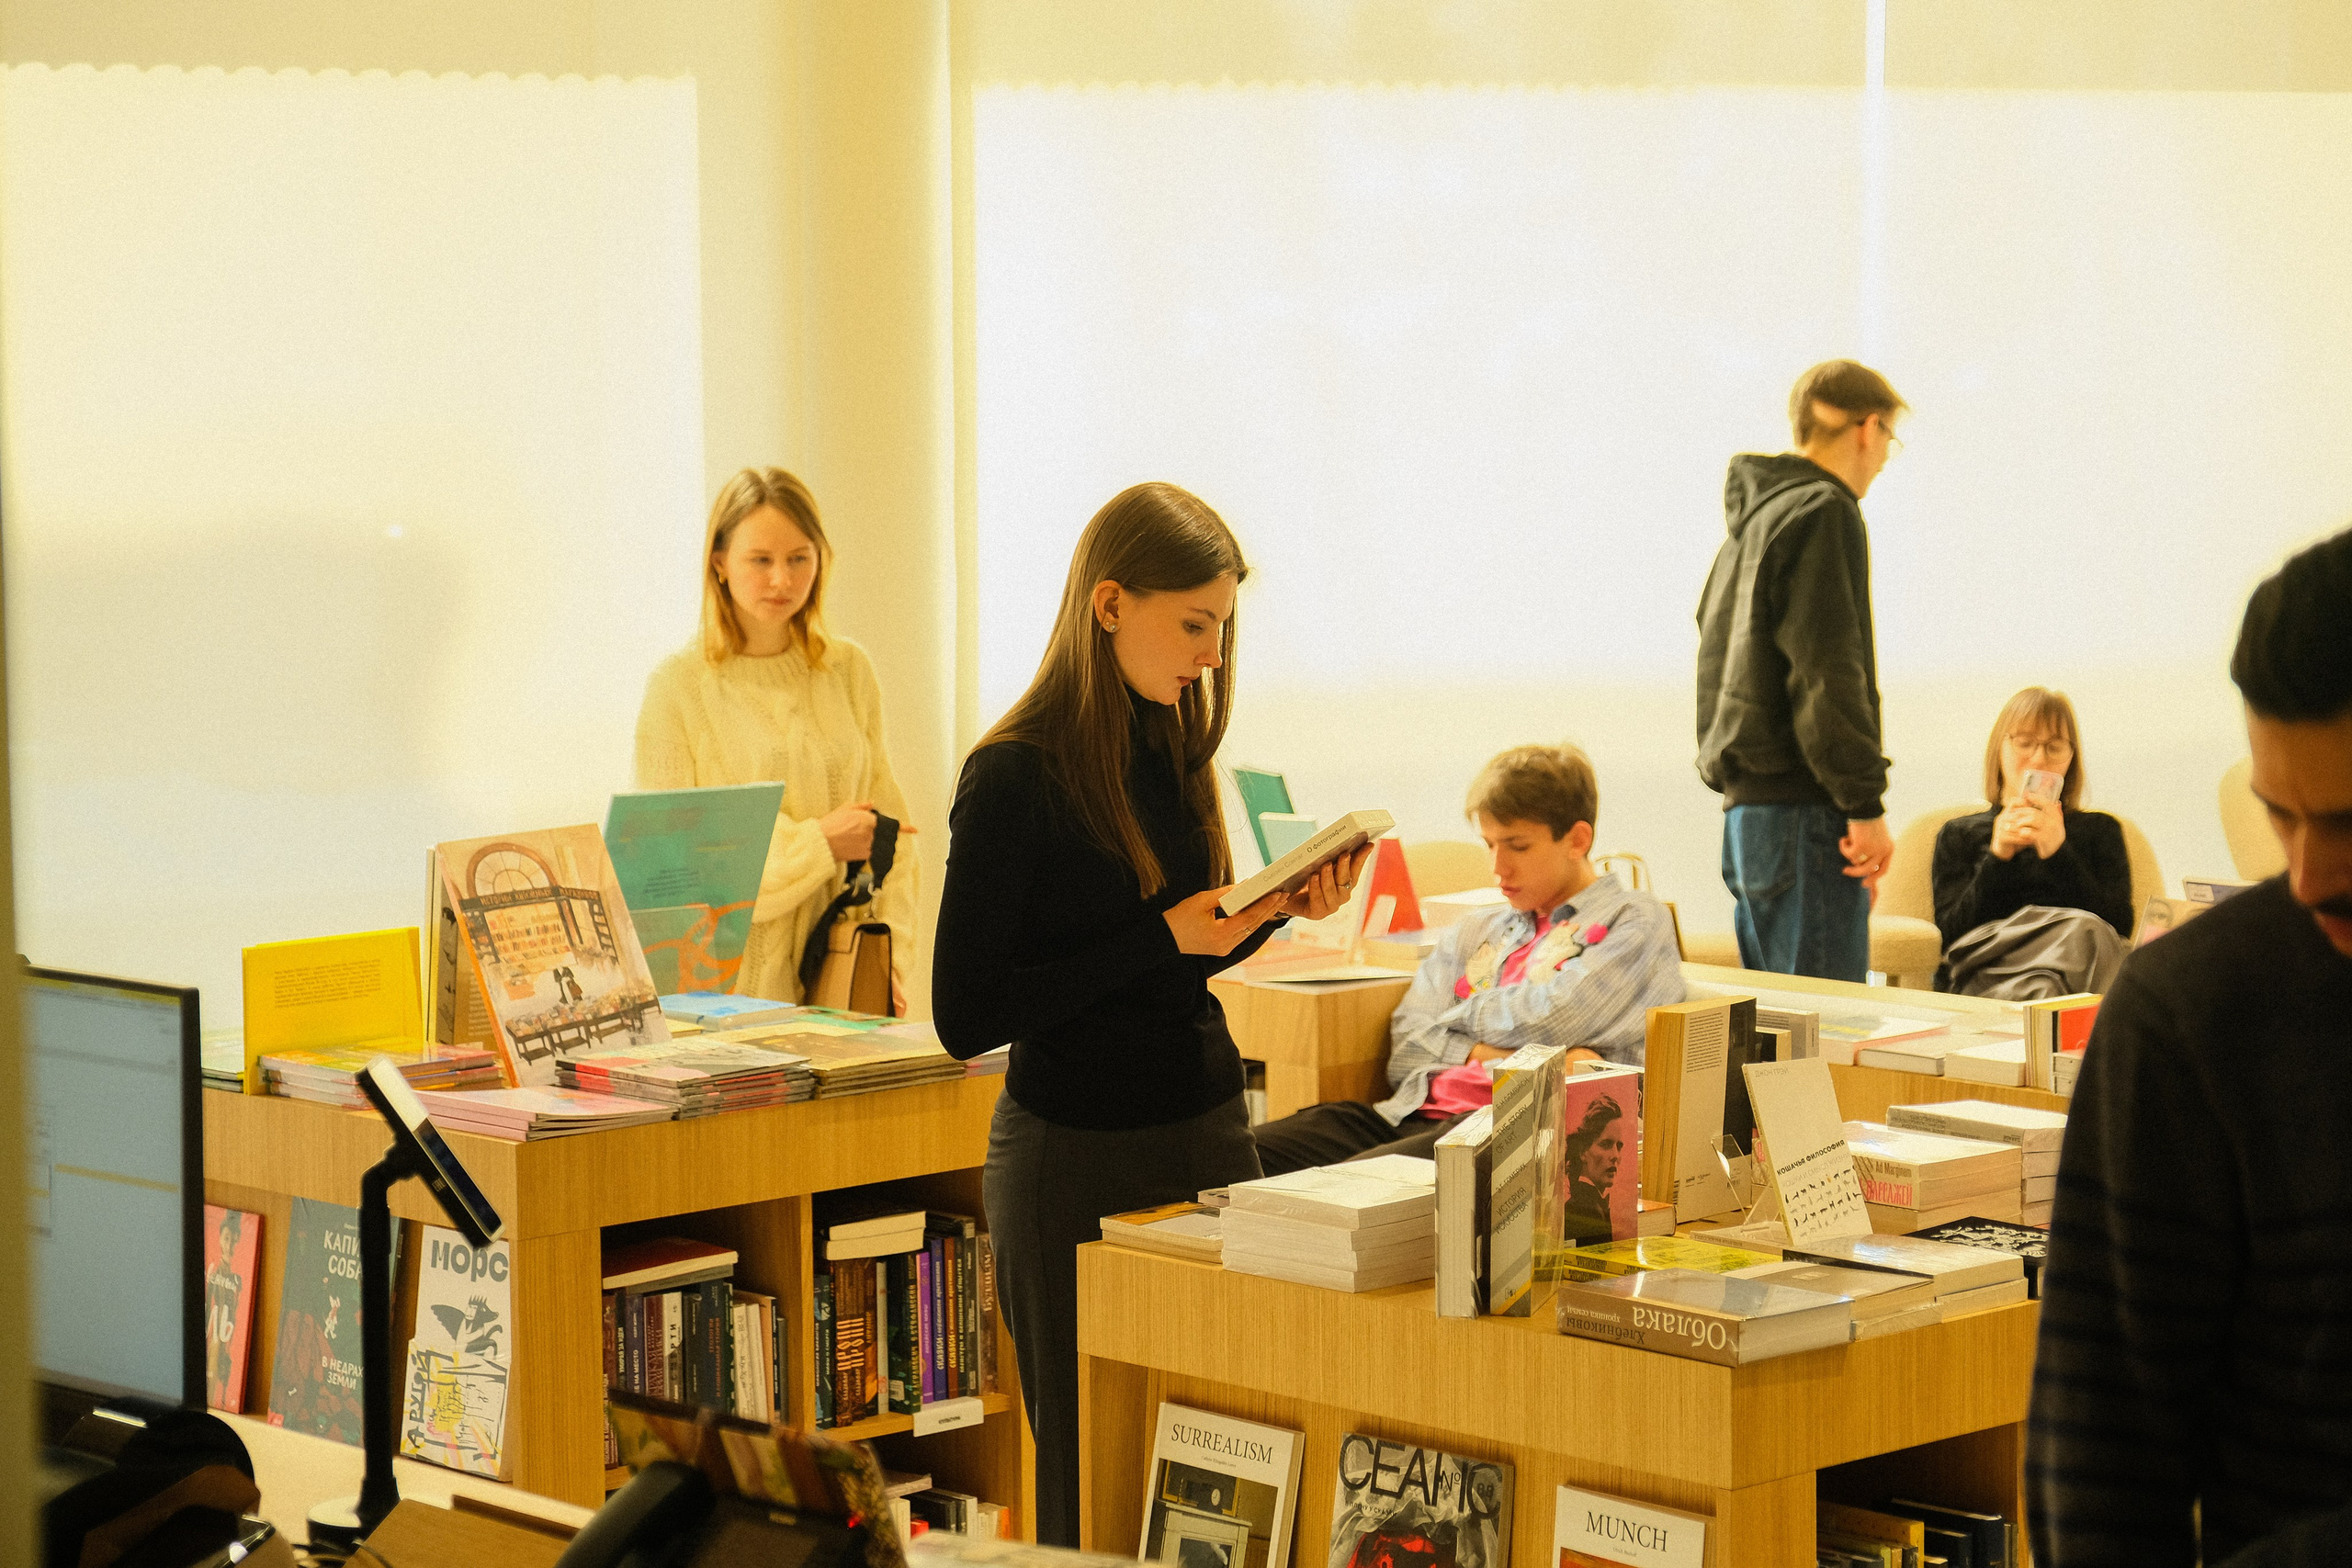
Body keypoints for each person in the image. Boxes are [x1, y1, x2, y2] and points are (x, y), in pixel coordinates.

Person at [930, 481, 1366, 1547]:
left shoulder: (1171, 746)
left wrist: (1266, 916)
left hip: (1205, 1129)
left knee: (1223, 1468)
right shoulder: (1012, 775)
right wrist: (1164, 936)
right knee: (1092, 1484)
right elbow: (966, 1011)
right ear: (1109, 603)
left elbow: (1168, 964)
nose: (1213, 654)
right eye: (1196, 624)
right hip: (1073, 1159)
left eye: (1222, 627)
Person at [2028, 525, 2352, 1566]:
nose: (2307, 873)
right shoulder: (2192, 1022)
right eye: (2278, 815)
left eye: (2347, 822)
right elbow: (2102, 1468)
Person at [1250, 743, 1688, 1178]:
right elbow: (1406, 1046)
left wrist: (1453, 1023)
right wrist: (1523, 1054)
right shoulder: (1478, 928)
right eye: (1489, 844)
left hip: (1516, 1125)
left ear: (1577, 840)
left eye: (1517, 846)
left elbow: (1557, 1016)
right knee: (1243, 1155)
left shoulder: (1633, 917)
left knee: (1334, 1185)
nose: (1498, 868)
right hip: (1409, 1112)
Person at [634, 468, 916, 1008]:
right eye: (760, 560)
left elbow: (894, 839)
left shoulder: (849, 671)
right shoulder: (677, 688)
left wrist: (888, 958)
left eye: (798, 558)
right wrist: (819, 843)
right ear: (719, 562)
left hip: (841, 990)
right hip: (723, 1005)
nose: (781, 580)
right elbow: (672, 875)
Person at [1696, 359, 1905, 981]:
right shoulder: (1824, 510)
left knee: (1777, 1040)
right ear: (1867, 428)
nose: (1886, 456)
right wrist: (1863, 804)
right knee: (1826, 1039)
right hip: (1804, 817)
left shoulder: (1750, 526)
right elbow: (1828, 671)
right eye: (1890, 438)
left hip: (1749, 821)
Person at [1930, 686, 2135, 997]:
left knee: (2086, 938)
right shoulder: (1958, 833)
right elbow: (1951, 936)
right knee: (2056, 975)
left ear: (2072, 758)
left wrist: (2058, 853)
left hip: (2082, 966)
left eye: (2054, 748)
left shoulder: (2100, 830)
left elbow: (2119, 928)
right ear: (1999, 750)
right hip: (1992, 968)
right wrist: (1998, 857)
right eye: (2025, 743)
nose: (2039, 758)